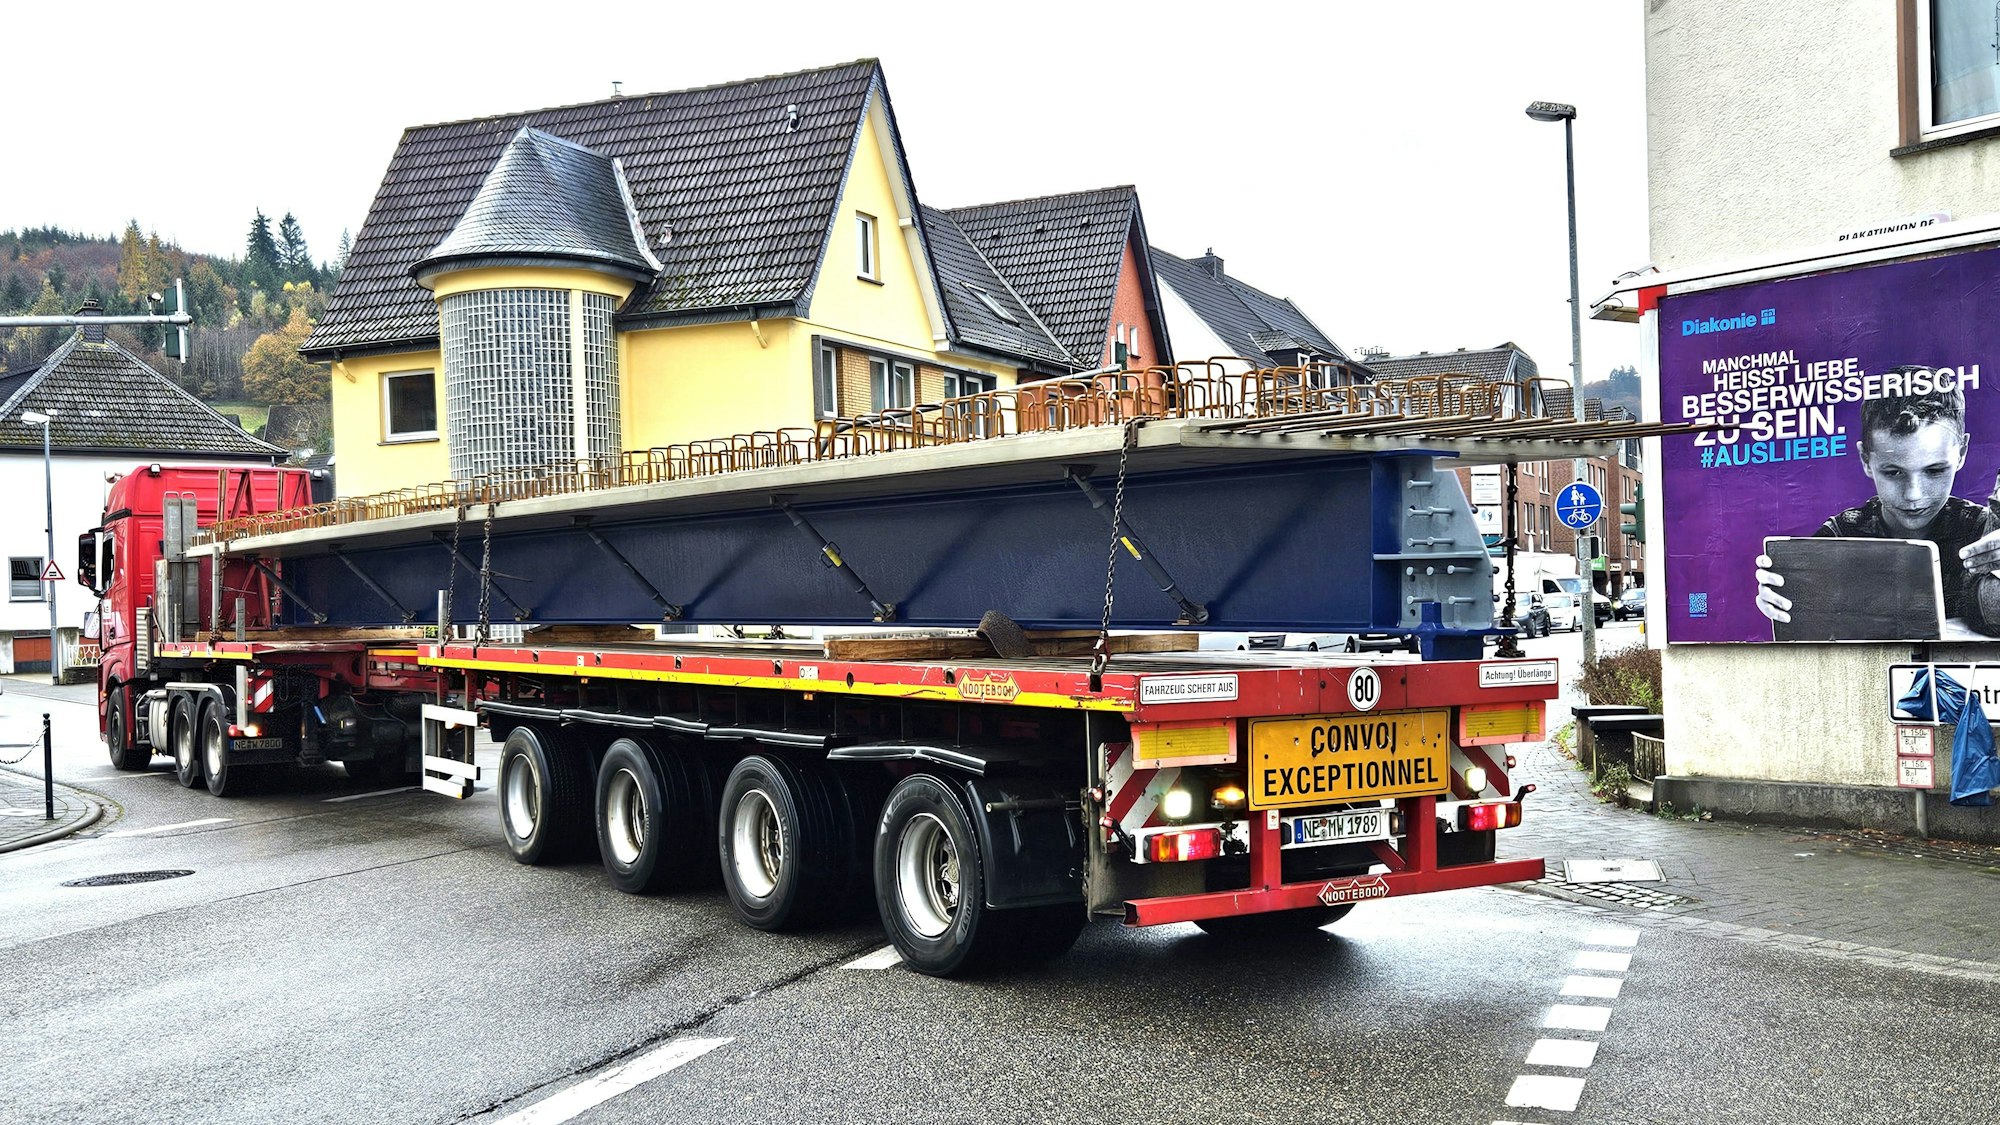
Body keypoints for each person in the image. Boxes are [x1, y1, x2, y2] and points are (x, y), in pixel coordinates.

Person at [1754, 381, 2000, 633]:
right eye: (1893, 472)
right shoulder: (1838, 537)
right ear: (1866, 460)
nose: (1913, 495)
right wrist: (1781, 602)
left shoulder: (1985, 533)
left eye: (1935, 470)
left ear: (1962, 453)